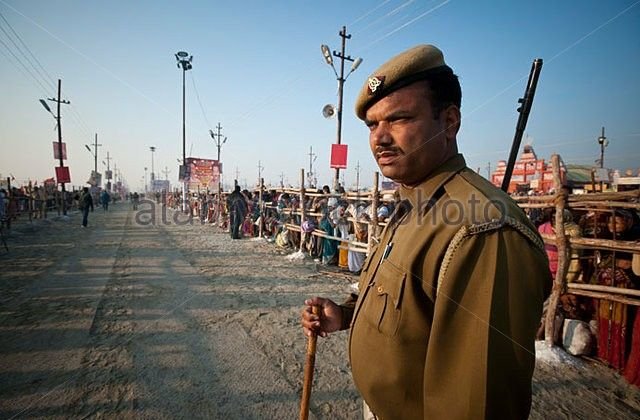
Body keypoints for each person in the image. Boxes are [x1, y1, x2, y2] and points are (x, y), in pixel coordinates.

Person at [301, 44, 551, 419]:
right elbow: (410, 306)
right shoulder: (413, 202)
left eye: (399, 119)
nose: (379, 138)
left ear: (449, 122)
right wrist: (348, 314)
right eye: (373, 124)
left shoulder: (481, 230)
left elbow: (474, 404)